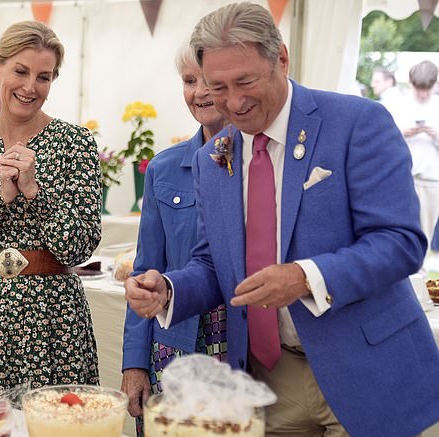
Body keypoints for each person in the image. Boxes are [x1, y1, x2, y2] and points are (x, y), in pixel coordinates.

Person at [125, 3, 439, 437]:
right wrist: (168, 290)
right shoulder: (209, 159)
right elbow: (214, 265)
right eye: (218, 87)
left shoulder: (356, 122)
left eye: (245, 81)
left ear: (282, 59)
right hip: (268, 382)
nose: (233, 102)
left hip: (366, 373)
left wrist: (305, 277)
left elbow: (400, 241)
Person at [0, 21, 101, 395]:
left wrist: (33, 192)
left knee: (58, 423)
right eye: (20, 72)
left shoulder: (76, 142)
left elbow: (80, 246)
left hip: (52, 318)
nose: (30, 87)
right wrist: (0, 199)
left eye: (44, 77)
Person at [120, 42, 229, 437]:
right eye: (189, 80)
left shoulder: (261, 162)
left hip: (239, 346)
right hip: (173, 344)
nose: (200, 91)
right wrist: (134, 364)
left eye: (209, 80)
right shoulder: (163, 168)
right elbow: (145, 269)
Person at [394, 60, 439, 259]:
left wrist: (436, 136)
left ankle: (422, 268)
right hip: (404, 175)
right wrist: (403, 133)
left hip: (432, 178)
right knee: (402, 227)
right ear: (411, 84)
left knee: (427, 229)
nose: (422, 94)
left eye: (426, 89)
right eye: (419, 88)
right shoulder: (399, 105)